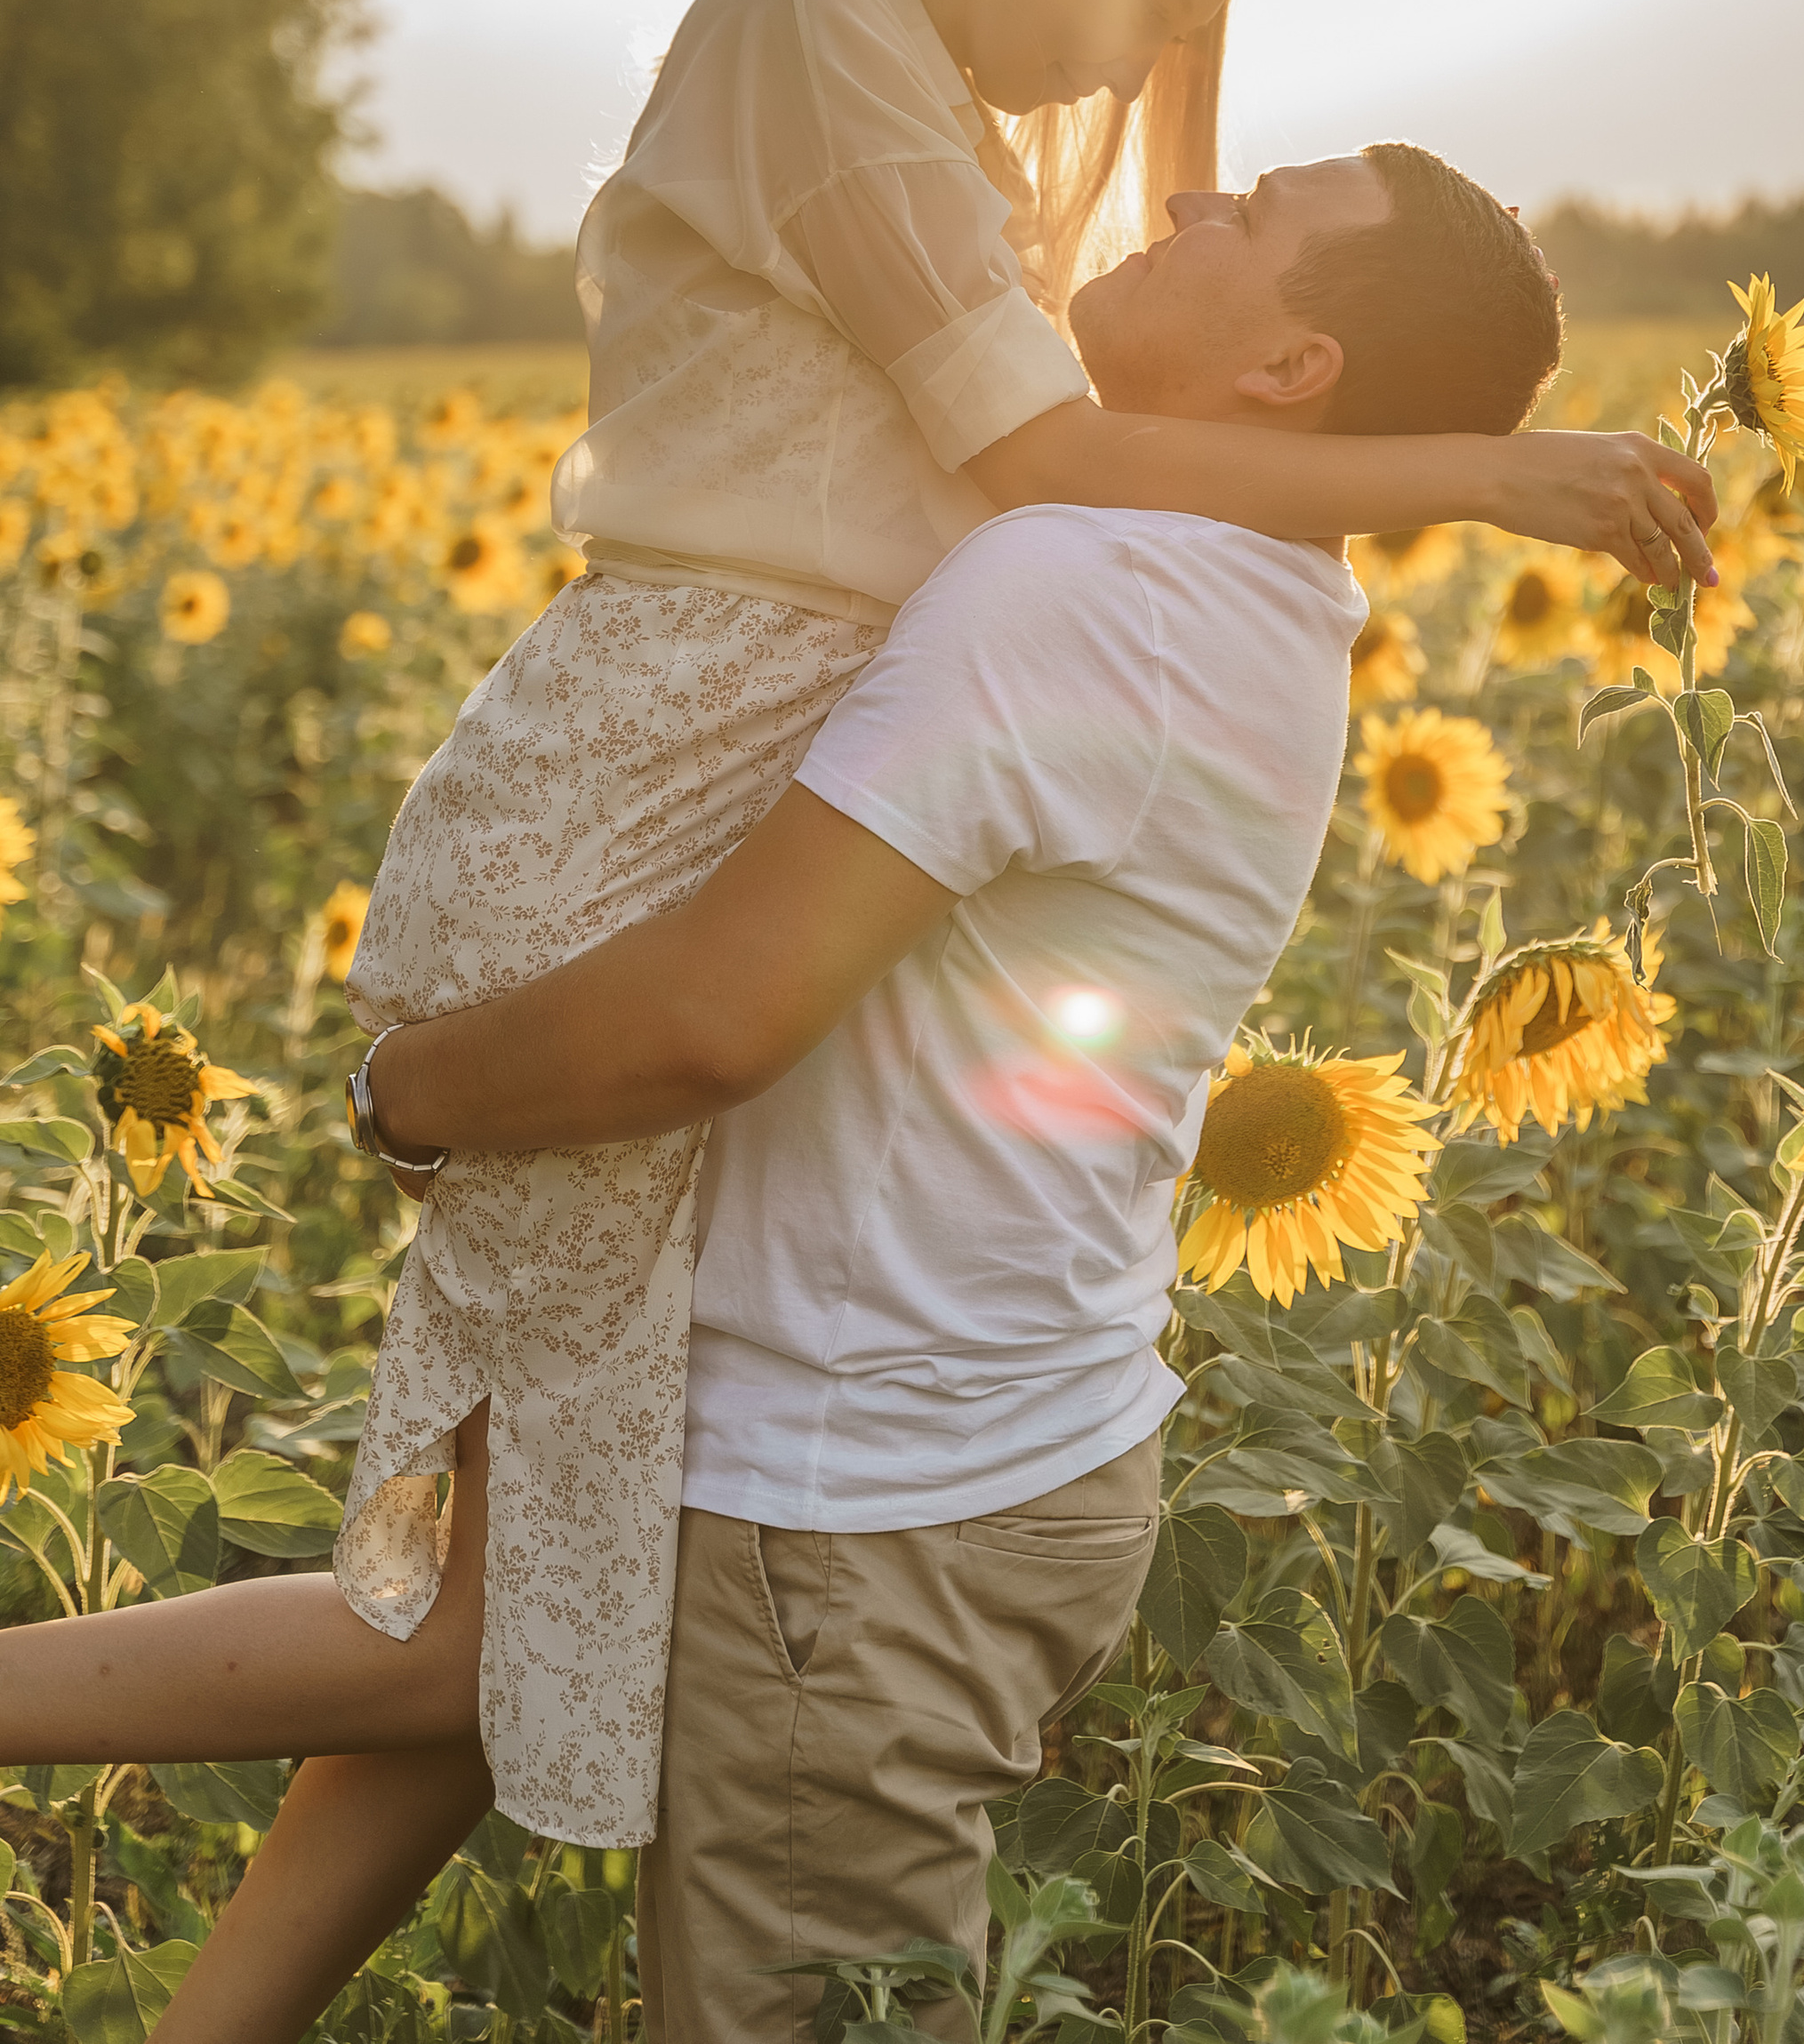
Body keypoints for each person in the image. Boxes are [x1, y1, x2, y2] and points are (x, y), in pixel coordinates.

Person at [0, 0, 1708, 2024]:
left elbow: (1196, 294)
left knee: (517, 1608)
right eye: (1134, 5)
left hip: (715, 791)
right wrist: (1481, 479)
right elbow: (1065, 432)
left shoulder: (977, 122)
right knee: (496, 1613)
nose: (1134, 121)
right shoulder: (819, 33)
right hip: (636, 808)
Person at [237, 132, 1567, 2040]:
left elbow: (715, 1012)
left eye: (1249, 216)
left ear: (1291, 371)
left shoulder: (1076, 586)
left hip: (851, 1515)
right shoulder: (1251, 584)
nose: (1183, 199)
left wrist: (407, 1092)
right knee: (449, 1663)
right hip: (1017, 1434)